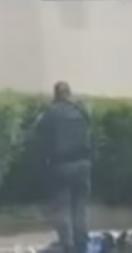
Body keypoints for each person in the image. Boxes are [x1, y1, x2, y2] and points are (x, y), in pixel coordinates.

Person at [34, 81, 92, 253]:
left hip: (61, 166)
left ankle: (67, 245)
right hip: (83, 165)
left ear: (56, 94)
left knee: (61, 208)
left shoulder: (51, 112)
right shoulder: (81, 110)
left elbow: (38, 135)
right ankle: (82, 243)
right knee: (80, 207)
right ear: (69, 93)